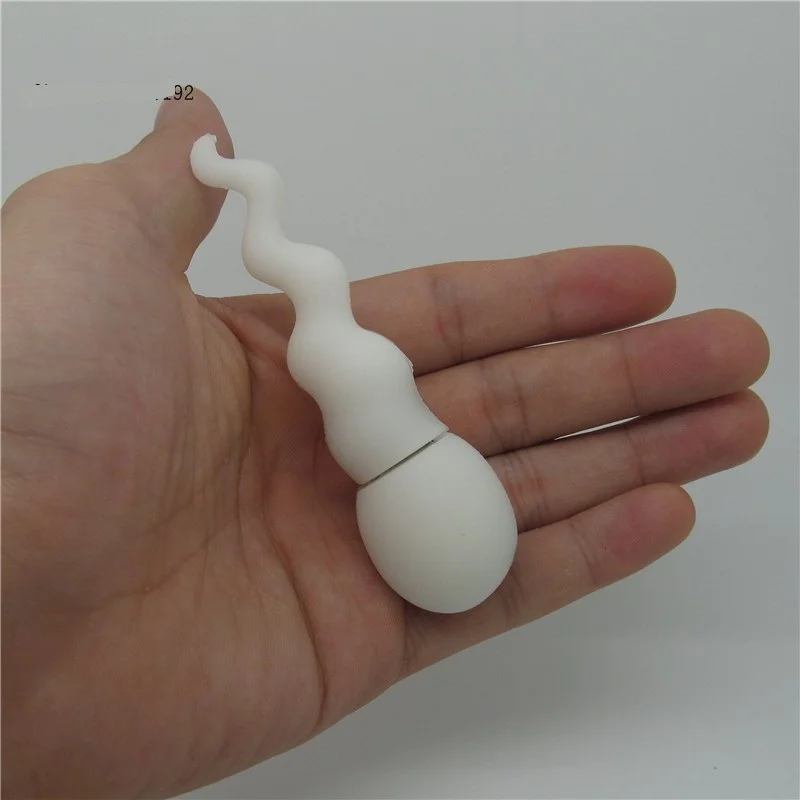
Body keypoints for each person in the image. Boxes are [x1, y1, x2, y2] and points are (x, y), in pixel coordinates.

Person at [1, 90, 770, 799]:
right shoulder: (351, 392)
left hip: (413, 473)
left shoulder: (350, 396)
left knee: (331, 332)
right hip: (415, 472)